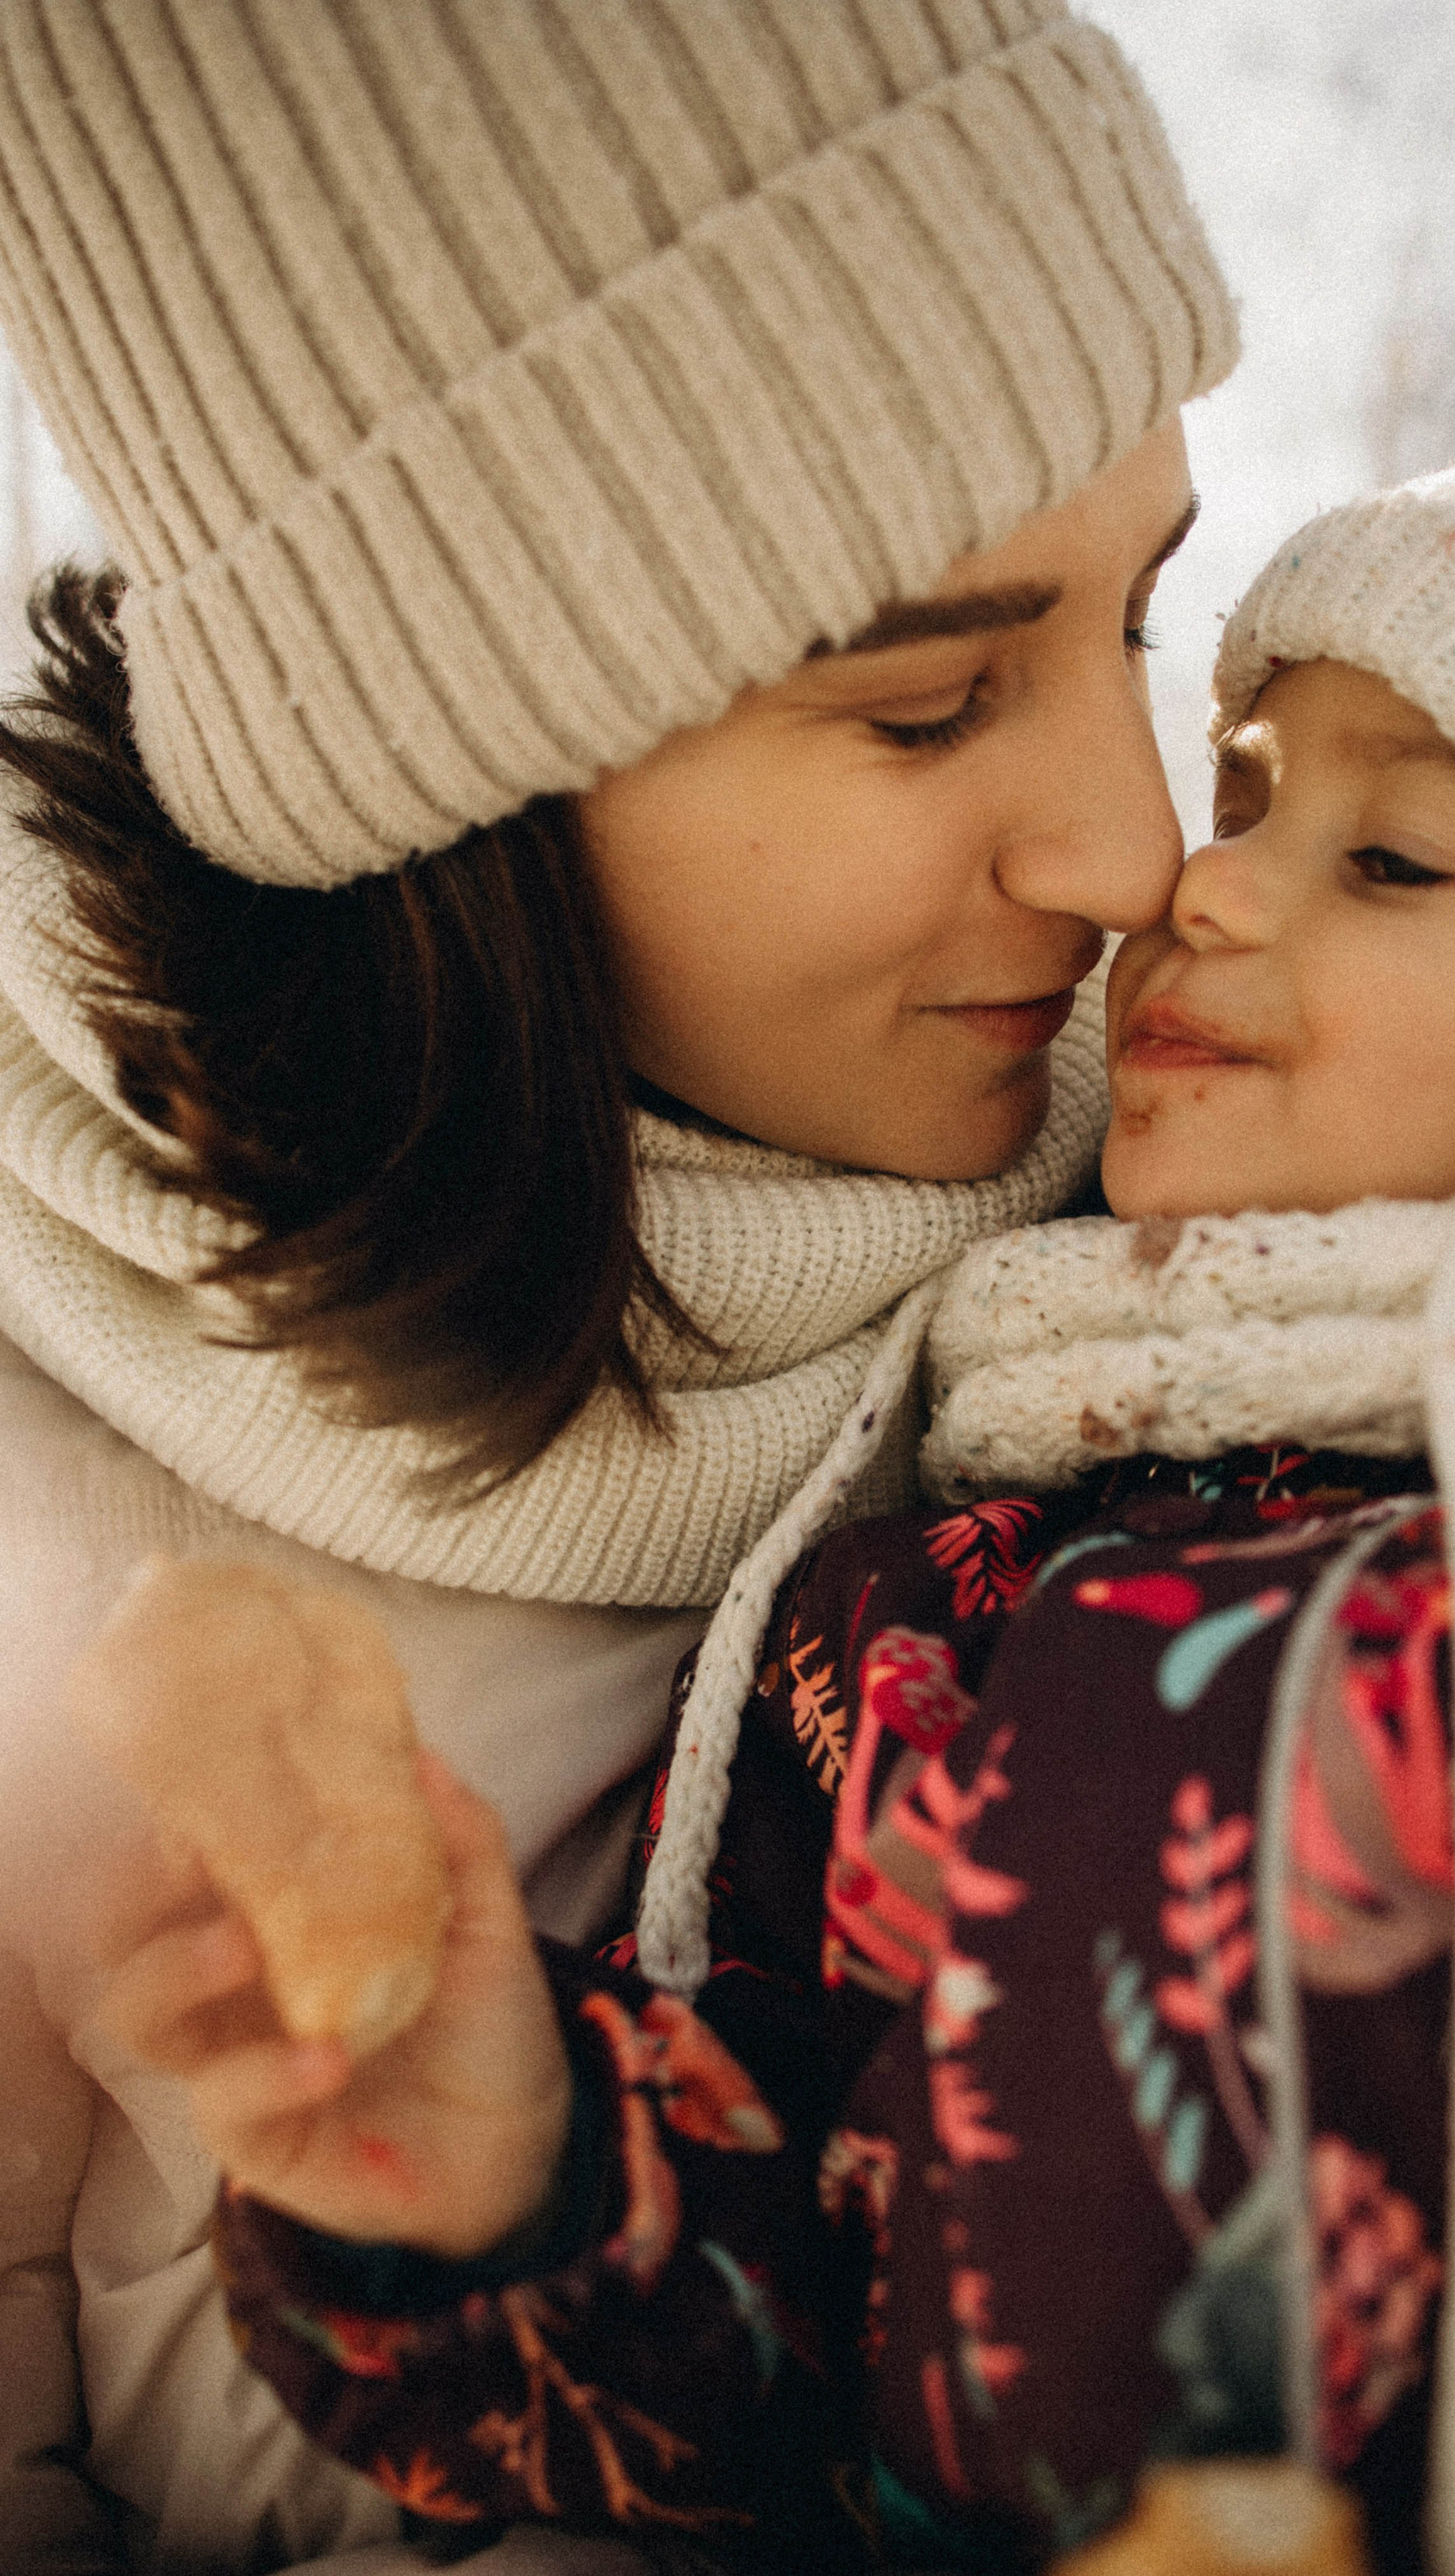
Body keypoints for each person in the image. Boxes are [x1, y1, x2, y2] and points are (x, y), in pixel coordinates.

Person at [134, 413, 1455, 2576]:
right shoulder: (933, 1594)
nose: (1196, 877)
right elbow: (788, 2314)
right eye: (1248, 788)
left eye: (1397, 862)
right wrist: (526, 2182)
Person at [0, 5, 1240, 2570]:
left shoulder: (1301, 1174)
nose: (1138, 855)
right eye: (925, 703)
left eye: (1145, 616)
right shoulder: (45, 1503)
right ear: (438, 768)